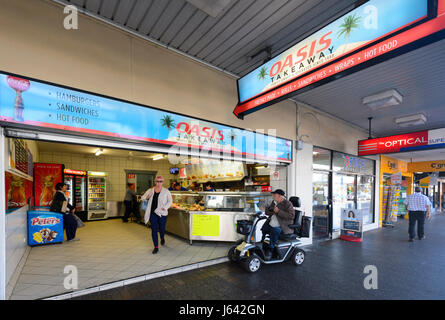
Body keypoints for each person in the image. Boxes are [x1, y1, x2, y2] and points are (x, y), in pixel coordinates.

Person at [141, 176, 172, 254]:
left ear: (162, 182)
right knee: (154, 230)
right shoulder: (150, 190)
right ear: (155, 182)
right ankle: (156, 247)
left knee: (162, 228)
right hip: (152, 213)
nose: (159, 183)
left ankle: (162, 237)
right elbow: (142, 198)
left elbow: (170, 201)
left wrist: (165, 207)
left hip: (162, 213)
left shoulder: (166, 191)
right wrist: (148, 196)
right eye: (157, 181)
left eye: (160, 181)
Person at [263, 189, 295, 259]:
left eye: (275, 195)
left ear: (280, 197)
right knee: (264, 228)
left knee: (275, 230)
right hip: (272, 223)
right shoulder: (274, 202)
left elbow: (291, 216)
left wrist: (278, 211)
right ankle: (263, 244)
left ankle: (270, 249)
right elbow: (268, 213)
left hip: (283, 226)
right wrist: (267, 208)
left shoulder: (288, 204)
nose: (273, 197)